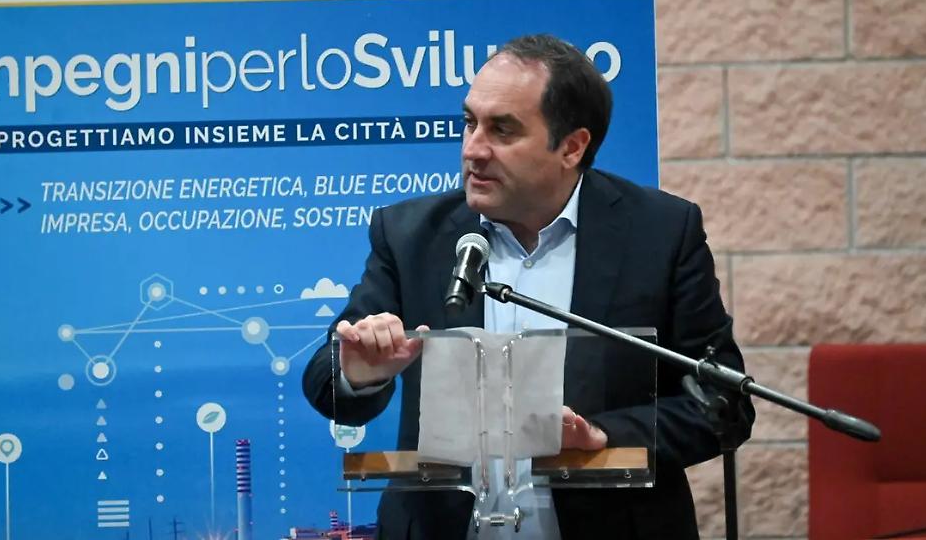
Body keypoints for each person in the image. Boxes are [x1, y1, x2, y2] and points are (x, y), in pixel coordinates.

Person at [303, 33, 753, 539]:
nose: (473, 149)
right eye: (470, 123)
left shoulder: (660, 234)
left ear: (572, 147)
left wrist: (602, 434)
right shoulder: (410, 235)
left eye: (502, 130)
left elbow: (723, 405)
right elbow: (327, 382)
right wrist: (359, 372)